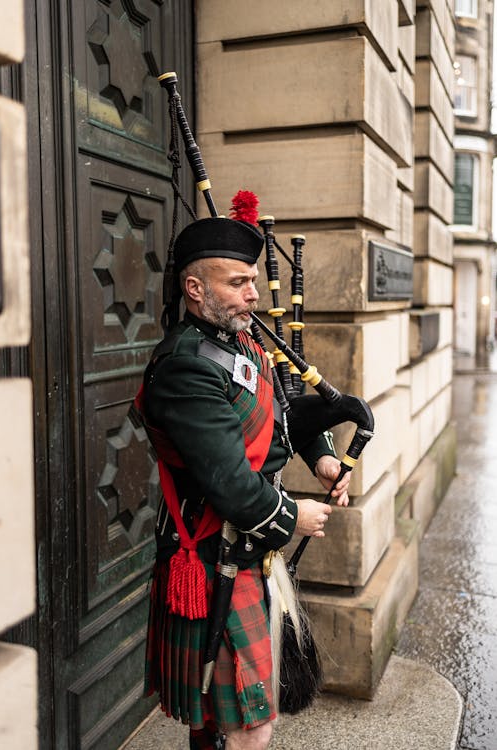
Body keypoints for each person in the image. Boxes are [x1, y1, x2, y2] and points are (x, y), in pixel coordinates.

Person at [137, 216, 350, 750]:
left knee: (218, 720)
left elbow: (278, 412)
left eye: (254, 280)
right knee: (253, 725)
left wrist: (321, 456)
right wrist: (293, 516)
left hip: (246, 547)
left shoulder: (241, 342)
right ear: (195, 288)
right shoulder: (186, 367)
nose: (253, 294)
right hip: (214, 550)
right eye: (238, 282)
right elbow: (231, 484)